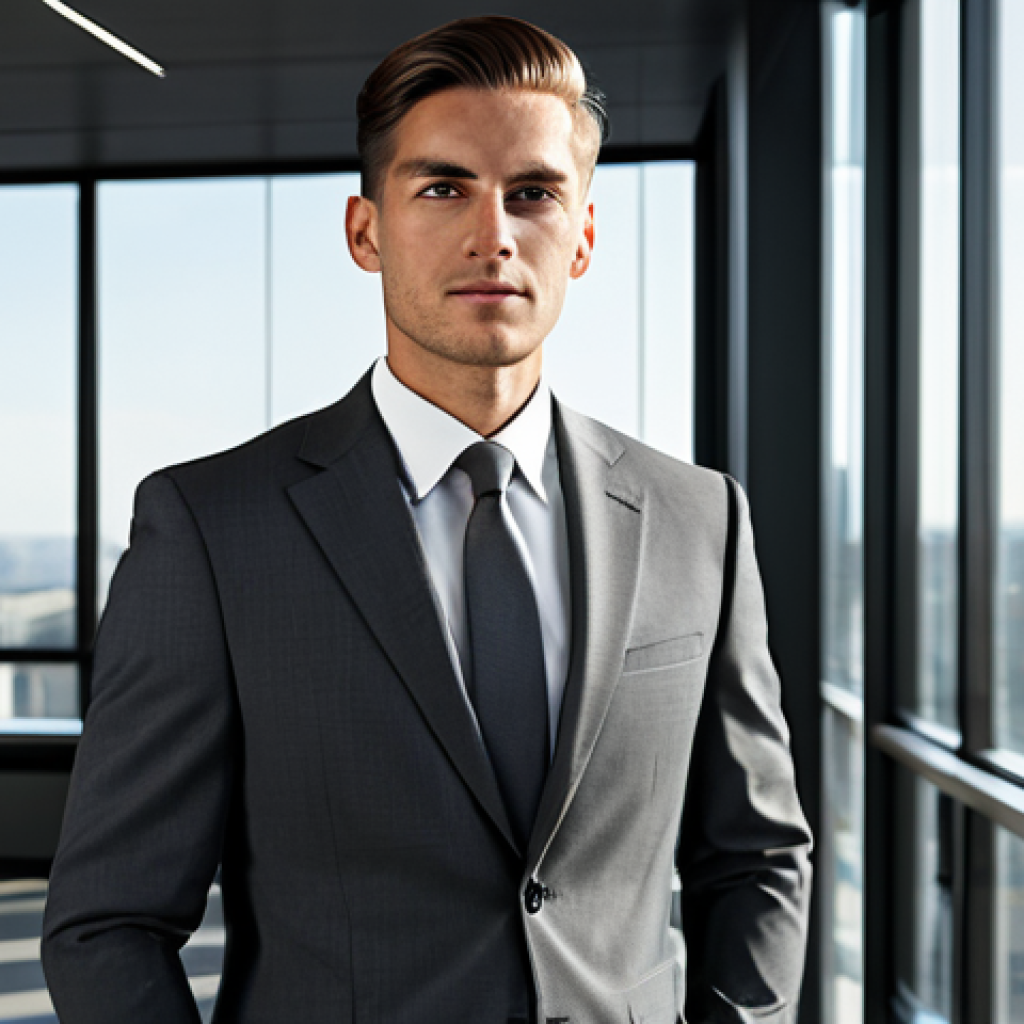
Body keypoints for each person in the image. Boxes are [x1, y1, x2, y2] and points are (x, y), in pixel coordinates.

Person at [41, 15, 812, 1024]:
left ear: (581, 238)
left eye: (532, 193)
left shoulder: (697, 516)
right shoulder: (212, 527)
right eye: (443, 187)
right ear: (366, 230)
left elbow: (756, 858)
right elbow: (107, 922)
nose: (491, 233)